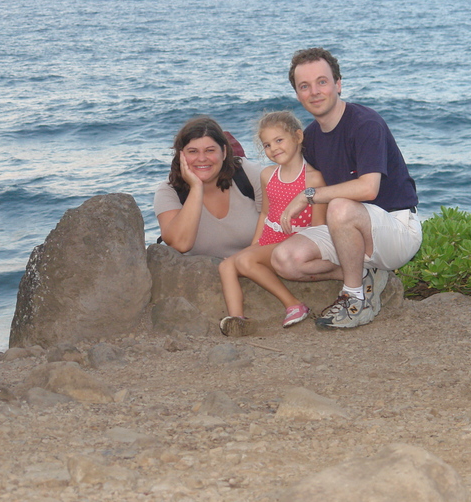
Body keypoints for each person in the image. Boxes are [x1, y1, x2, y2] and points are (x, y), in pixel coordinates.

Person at [271, 47, 421, 329]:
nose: (314, 91)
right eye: (305, 86)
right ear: (298, 94)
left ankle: (354, 298)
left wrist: (307, 196)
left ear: (338, 84)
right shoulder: (312, 136)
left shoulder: (366, 124)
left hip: (396, 227)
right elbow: (312, 182)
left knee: (339, 207)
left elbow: (368, 189)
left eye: (322, 82)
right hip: (349, 229)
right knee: (284, 260)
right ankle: (365, 275)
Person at [217, 111, 327, 336]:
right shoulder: (268, 175)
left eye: (279, 140)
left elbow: (318, 225)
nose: (273, 148)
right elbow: (265, 213)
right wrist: (255, 243)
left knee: (246, 261)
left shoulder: (313, 178)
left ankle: (293, 304)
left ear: (298, 136)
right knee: (226, 265)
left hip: (294, 244)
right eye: (267, 145)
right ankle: (237, 319)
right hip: (269, 240)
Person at [154, 116, 262, 258]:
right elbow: (180, 244)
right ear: (181, 155)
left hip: (255, 267)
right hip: (203, 276)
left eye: (210, 150)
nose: (202, 158)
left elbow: (280, 226)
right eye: (193, 151)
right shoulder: (169, 192)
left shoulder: (248, 174)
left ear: (223, 152)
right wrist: (196, 188)